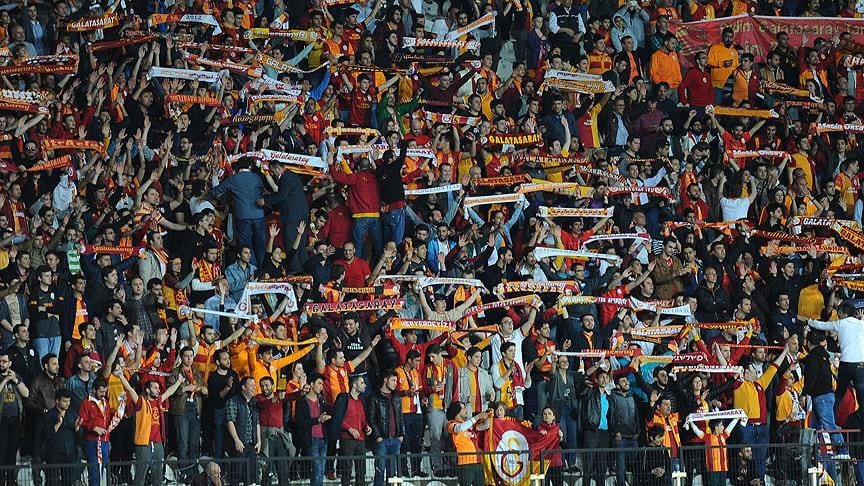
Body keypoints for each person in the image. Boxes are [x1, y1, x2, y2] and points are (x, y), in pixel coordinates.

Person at [116, 371, 184, 486]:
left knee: (158, 474)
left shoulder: (158, 401)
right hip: (144, 443)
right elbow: (130, 390)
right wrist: (120, 375)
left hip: (158, 442)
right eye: (155, 388)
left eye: (158, 388)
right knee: (141, 474)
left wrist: (179, 381)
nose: (158, 390)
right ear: (147, 390)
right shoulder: (141, 402)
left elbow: (169, 392)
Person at [368, 370, 404, 486]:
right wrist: (378, 436)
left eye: (396, 381)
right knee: (380, 470)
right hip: (382, 440)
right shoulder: (374, 397)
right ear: (385, 380)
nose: (395, 383)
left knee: (393, 472)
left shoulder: (396, 396)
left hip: (396, 439)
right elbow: (371, 418)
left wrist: (401, 435)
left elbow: (400, 416)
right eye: (393, 380)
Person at [332, 375, 369, 486]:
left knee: (361, 470)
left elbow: (363, 419)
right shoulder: (344, 400)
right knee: (346, 470)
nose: (365, 385)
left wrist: (367, 427)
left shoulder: (362, 401)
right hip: (347, 439)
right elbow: (338, 418)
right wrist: (350, 429)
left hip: (361, 439)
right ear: (354, 385)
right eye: (362, 383)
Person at [225, 376, 262, 486]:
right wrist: (236, 440)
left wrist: (259, 440)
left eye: (255, 385)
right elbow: (230, 421)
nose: (254, 388)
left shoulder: (254, 403)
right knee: (236, 474)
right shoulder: (233, 401)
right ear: (243, 387)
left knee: (251, 476)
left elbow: (257, 422)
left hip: (251, 444)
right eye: (251, 385)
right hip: (239, 444)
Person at [446, 401, 491, 486]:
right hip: (464, 463)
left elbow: (485, 426)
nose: (466, 410)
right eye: (463, 408)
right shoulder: (451, 424)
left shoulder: (469, 424)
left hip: (477, 461)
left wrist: (486, 417)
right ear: (457, 412)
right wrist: (477, 417)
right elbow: (460, 428)